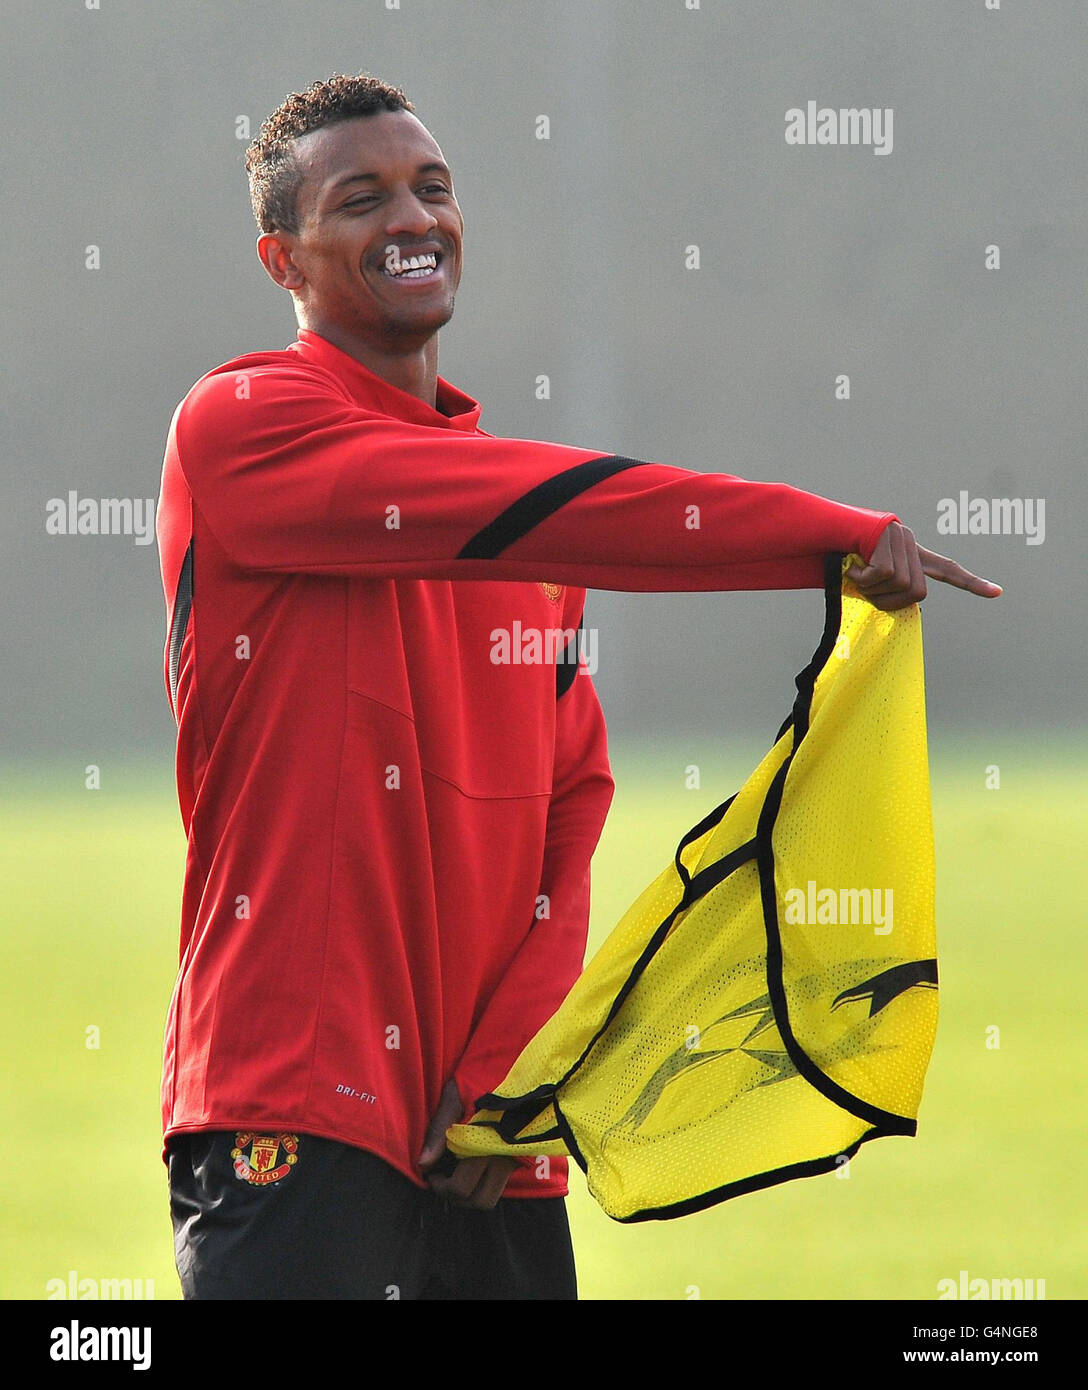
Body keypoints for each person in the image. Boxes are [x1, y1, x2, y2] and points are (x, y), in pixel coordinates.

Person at [155, 72, 1001, 1302]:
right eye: (362, 198)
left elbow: (572, 809)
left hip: (487, 1143)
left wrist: (505, 1070)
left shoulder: (528, 539)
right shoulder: (242, 424)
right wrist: (820, 532)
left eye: (432, 188)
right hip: (294, 1096)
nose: (413, 218)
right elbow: (573, 508)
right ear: (280, 258)